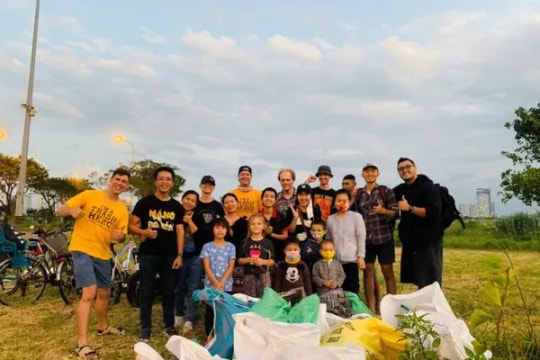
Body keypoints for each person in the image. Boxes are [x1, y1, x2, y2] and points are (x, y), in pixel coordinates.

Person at [56, 168, 130, 359]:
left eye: (124, 181)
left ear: (127, 185)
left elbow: (122, 235)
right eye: (118, 179)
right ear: (110, 179)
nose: (120, 183)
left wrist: (121, 236)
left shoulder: (122, 210)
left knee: (105, 292)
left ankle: (103, 326)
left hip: (103, 253)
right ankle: (82, 343)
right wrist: (71, 210)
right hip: (82, 248)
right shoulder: (90, 195)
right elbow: (60, 209)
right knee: (89, 292)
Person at [129, 166, 184, 341]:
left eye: (168, 179)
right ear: (155, 181)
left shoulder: (176, 206)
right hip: (149, 254)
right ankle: (145, 328)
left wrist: (180, 255)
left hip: (170, 255)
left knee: (169, 292)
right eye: (161, 178)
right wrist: (143, 232)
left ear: (172, 183)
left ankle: (169, 326)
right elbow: (131, 225)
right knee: (146, 291)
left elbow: (180, 232)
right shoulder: (145, 203)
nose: (164, 182)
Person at [393, 157, 443, 289]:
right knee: (419, 279)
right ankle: (422, 308)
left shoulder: (428, 187)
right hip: (411, 242)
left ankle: (434, 308)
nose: (405, 170)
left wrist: (409, 208)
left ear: (415, 168)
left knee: (431, 282)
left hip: (428, 242)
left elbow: (433, 212)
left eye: (408, 167)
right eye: (401, 169)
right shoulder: (400, 190)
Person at [355, 163, 398, 314]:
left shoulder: (385, 191)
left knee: (388, 273)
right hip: (366, 240)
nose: (370, 174)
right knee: (368, 273)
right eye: (366, 171)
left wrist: (382, 211)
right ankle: (372, 308)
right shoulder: (359, 194)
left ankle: (392, 308)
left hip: (384, 237)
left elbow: (395, 213)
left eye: (373, 171)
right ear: (363, 175)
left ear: (378, 174)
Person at [200, 218, 236, 339]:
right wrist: (215, 283)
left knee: (223, 311)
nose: (220, 230)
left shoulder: (231, 247)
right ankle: (209, 337)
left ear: (227, 230)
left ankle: (223, 337)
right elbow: (206, 267)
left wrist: (222, 282)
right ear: (212, 229)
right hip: (211, 285)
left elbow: (231, 266)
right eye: (217, 227)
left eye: (223, 227)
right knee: (210, 311)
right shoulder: (206, 247)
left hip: (226, 285)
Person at [325, 189, 366, 294]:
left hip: (351, 259)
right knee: (337, 289)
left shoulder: (356, 217)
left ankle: (354, 309)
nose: (341, 203)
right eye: (338, 201)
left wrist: (361, 257)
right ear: (334, 202)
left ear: (349, 202)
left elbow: (361, 237)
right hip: (335, 260)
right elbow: (328, 238)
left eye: (344, 200)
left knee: (352, 288)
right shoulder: (330, 219)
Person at [174, 190, 200, 335]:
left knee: (193, 288)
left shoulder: (197, 216)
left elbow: (197, 232)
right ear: (182, 199)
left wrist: (189, 221)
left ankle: (189, 318)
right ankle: (178, 315)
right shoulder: (175, 213)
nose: (189, 202)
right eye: (187, 199)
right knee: (179, 287)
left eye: (193, 200)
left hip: (195, 256)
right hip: (179, 256)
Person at [237, 213, 275, 298]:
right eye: (253, 224)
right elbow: (239, 260)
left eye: (259, 224)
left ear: (264, 226)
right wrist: (248, 260)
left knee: (264, 298)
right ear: (249, 226)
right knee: (250, 298)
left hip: (264, 274)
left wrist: (262, 262)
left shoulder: (268, 242)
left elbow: (272, 261)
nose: (256, 226)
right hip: (248, 275)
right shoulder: (244, 242)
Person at [312, 239, 352, 318]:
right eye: (325, 250)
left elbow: (342, 275)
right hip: (324, 292)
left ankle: (343, 314)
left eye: (331, 250)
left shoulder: (337, 263)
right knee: (327, 304)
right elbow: (314, 276)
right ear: (321, 251)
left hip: (337, 290)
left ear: (334, 250)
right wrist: (323, 282)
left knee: (343, 301)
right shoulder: (317, 264)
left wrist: (337, 283)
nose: (328, 252)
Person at [222, 192, 248, 293]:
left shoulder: (244, 222)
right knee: (222, 289)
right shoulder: (219, 222)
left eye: (232, 201)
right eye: (226, 202)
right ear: (223, 205)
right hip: (221, 260)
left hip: (239, 260)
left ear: (237, 203)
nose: (230, 204)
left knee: (238, 290)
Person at [272, 239, 312, 304]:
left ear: (299, 250)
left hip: (301, 295)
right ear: (284, 251)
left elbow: (307, 281)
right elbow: (277, 282)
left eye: (295, 249)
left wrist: (309, 296)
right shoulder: (281, 265)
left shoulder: (302, 265)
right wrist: (276, 296)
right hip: (285, 294)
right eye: (289, 250)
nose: (292, 252)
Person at [260, 187, 289, 262]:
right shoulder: (257, 216)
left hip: (278, 251)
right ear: (262, 198)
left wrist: (271, 234)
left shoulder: (281, 216)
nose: (268, 199)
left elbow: (285, 236)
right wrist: (265, 234)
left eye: (272, 197)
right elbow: (252, 236)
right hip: (261, 251)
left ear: (275, 200)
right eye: (266, 196)